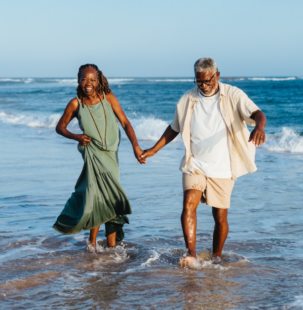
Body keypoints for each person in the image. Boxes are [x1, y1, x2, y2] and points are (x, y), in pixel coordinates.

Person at [140, 58, 266, 265]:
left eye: (209, 81)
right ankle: (191, 254)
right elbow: (174, 127)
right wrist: (154, 149)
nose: (205, 86)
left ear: (217, 75)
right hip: (195, 162)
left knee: (220, 217)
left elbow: (257, 114)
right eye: (200, 82)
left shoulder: (233, 94)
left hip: (223, 165)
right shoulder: (187, 99)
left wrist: (259, 128)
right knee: (189, 202)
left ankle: (216, 258)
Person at [53, 64, 145, 251]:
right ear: (78, 80)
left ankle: (110, 246)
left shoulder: (109, 98)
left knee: (111, 197)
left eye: (92, 79)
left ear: (98, 80)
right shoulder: (76, 104)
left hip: (111, 154)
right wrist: (76, 136)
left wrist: (136, 146)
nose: (88, 83)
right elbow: (60, 127)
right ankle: (92, 242)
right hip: (93, 154)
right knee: (98, 196)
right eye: (84, 79)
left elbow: (126, 123)